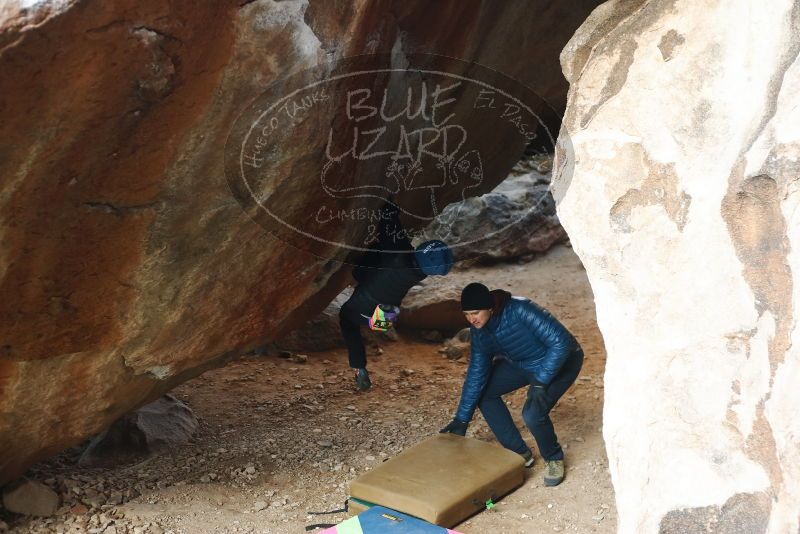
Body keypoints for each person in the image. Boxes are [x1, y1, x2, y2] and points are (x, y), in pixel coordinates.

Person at [439, 282, 583, 487]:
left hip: (561, 361)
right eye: (467, 314)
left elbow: (561, 342)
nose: (472, 319)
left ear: (489, 307)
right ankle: (520, 453)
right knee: (484, 393)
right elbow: (477, 373)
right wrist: (462, 418)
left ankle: (553, 458)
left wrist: (541, 382)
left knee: (532, 414)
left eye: (476, 312)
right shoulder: (479, 331)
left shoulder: (520, 309)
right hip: (522, 364)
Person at [340, 204, 453, 391]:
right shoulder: (419, 273)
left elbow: (389, 225)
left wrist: (390, 208)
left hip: (362, 307)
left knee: (346, 318)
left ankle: (359, 366)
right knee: (381, 280)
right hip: (385, 315)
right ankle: (363, 358)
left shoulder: (398, 255)